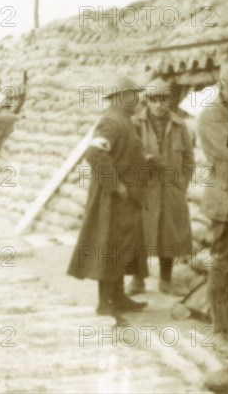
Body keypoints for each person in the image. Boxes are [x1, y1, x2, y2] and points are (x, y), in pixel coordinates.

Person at [67, 75, 149, 325]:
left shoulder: (124, 120)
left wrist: (146, 162)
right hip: (112, 199)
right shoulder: (111, 122)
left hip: (126, 198)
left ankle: (119, 297)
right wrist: (118, 187)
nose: (138, 98)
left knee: (123, 247)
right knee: (110, 248)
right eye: (133, 94)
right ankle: (105, 305)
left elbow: (121, 156)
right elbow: (94, 155)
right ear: (120, 97)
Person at [128, 79, 195, 296]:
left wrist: (181, 185)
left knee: (170, 233)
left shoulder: (179, 125)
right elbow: (128, 156)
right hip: (145, 189)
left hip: (171, 189)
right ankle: (138, 280)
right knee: (140, 234)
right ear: (147, 101)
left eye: (164, 99)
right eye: (154, 100)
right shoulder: (136, 123)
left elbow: (188, 160)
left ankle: (166, 280)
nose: (159, 104)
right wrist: (145, 160)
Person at [199, 61, 228, 392]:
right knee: (223, 265)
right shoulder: (212, 115)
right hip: (224, 203)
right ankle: (220, 328)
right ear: (221, 85)